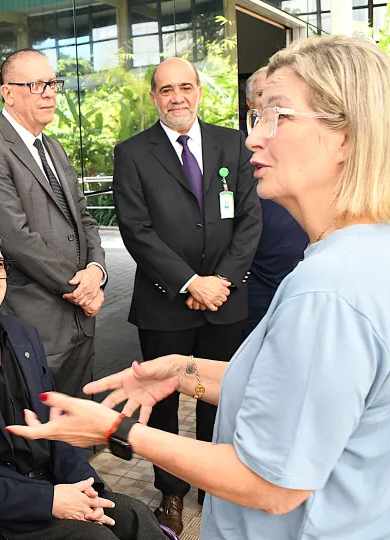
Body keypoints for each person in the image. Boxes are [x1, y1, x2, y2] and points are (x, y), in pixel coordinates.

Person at [9, 35, 390, 540]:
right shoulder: (384, 247)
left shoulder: (329, 291)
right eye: (258, 116)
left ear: (346, 135)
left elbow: (267, 484)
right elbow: (297, 391)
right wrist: (183, 371)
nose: (254, 137)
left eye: (277, 116)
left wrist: (116, 430)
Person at [0, 220, 170, 540]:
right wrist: (50, 501)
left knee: (137, 516)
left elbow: (57, 428)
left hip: (56, 486)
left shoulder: (23, 335)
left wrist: (89, 490)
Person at [111, 57, 261, 530]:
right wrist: (190, 283)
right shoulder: (132, 152)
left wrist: (221, 283)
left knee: (222, 399)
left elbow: (250, 219)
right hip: (164, 304)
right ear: (154, 97)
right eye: (166, 89)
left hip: (226, 299)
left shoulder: (232, 143)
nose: (177, 97)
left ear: (199, 91)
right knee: (165, 404)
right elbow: (136, 230)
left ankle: (216, 487)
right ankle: (171, 494)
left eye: (185, 87)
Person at [0, 49, 106, 399]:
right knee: (40, 439)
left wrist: (96, 271)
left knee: (75, 439)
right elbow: (15, 237)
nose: (50, 92)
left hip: (79, 322)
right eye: (37, 84)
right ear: (8, 93)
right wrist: (80, 287)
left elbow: (84, 217)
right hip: (35, 323)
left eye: (53, 83)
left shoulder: (53, 148)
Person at [242, 67, 308, 337]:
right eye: (262, 96)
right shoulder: (242, 148)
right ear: (250, 103)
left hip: (298, 268)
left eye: (278, 104)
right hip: (256, 277)